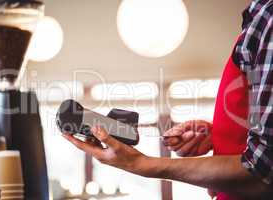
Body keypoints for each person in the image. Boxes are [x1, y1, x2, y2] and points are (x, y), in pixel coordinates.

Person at [63, 0, 273, 199]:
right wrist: (223, 135)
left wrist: (140, 164)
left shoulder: (268, 17)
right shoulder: (258, 19)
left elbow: (263, 175)